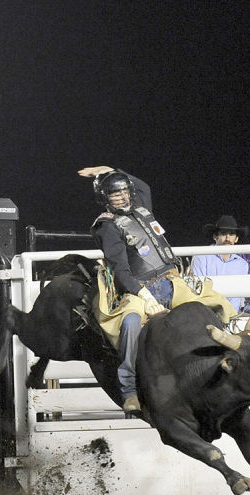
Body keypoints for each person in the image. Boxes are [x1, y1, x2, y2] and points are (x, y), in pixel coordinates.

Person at [83, 167, 175, 413]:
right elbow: (121, 272)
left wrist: (111, 170)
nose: (123, 197)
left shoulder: (141, 208)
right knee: (131, 324)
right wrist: (144, 295)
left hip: (171, 280)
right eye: (116, 194)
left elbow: (144, 187)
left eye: (125, 191)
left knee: (212, 304)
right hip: (139, 288)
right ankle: (129, 389)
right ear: (105, 198)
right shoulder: (107, 226)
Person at [188, 215, 248, 312]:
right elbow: (197, 291)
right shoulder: (201, 257)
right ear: (215, 236)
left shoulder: (242, 264)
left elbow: (239, 297)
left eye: (231, 234)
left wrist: (231, 312)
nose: (227, 238)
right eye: (223, 233)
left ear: (236, 239)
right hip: (206, 311)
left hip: (232, 313)